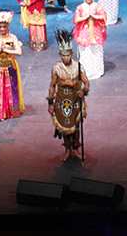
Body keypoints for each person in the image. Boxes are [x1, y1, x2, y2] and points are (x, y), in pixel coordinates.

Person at [48, 29, 90, 161]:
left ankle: (76, 149)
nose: (65, 58)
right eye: (63, 55)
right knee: (64, 127)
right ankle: (67, 150)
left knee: (76, 126)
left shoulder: (78, 67)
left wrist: (83, 91)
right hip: (61, 98)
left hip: (75, 98)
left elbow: (86, 83)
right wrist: (50, 103)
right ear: (60, 55)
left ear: (71, 54)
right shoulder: (56, 69)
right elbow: (52, 86)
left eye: (67, 55)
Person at [72, 0, 108, 80]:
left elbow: (104, 16)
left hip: (96, 32)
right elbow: (76, 20)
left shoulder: (97, 6)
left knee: (96, 50)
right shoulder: (80, 7)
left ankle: (97, 70)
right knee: (86, 52)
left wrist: (94, 16)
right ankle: (86, 71)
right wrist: (85, 17)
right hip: (84, 32)